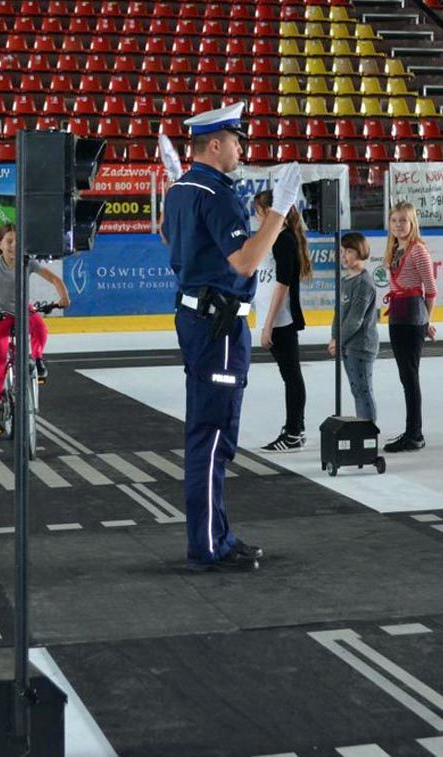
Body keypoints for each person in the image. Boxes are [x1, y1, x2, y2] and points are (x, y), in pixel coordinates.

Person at [160, 101, 302, 572]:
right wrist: (279, 213)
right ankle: (207, 545)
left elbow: (169, 238)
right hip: (218, 324)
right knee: (213, 438)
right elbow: (243, 261)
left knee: (210, 434)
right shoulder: (217, 192)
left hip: (199, 318)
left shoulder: (182, 187)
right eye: (237, 141)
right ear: (215, 144)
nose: (242, 150)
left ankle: (218, 535)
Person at [0, 223, 71, 435]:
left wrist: (64, 296)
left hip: (23, 310)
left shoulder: (27, 262)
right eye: (8, 241)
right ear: (0, 244)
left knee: (41, 329)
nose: (13, 246)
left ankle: (37, 359)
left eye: (18, 241)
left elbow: (54, 278)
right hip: (1, 315)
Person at [254, 189, 312, 452]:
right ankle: (293, 428)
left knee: (291, 376)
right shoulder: (274, 238)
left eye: (257, 213)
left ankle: (294, 431)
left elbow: (282, 285)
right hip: (274, 318)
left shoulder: (284, 240)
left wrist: (268, 324)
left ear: (269, 213)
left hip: (281, 320)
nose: (256, 218)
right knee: (289, 375)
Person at [383, 201, 436, 453]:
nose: (398, 225)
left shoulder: (418, 251)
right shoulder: (394, 250)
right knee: (406, 377)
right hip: (397, 314)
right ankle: (411, 430)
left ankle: (414, 433)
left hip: (412, 314)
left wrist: (426, 321)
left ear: (413, 222)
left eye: (403, 221)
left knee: (410, 376)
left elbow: (431, 290)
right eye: (394, 221)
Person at [327, 232, 379, 422]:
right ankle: (362, 430)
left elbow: (355, 320)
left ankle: (368, 432)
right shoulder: (345, 280)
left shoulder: (364, 283)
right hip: (347, 344)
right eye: (342, 251)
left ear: (360, 252)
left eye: (349, 251)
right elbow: (339, 313)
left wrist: (339, 339)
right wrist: (334, 337)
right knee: (356, 390)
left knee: (363, 390)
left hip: (361, 346)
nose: (344, 256)